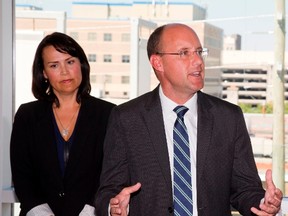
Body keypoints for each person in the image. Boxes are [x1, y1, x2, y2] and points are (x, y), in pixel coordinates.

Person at [95, 23, 283, 216]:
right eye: (184, 53)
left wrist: (263, 203)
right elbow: (108, 190)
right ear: (157, 62)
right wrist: (113, 208)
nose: (198, 61)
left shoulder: (228, 117)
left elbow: (245, 189)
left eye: (199, 52)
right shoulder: (126, 118)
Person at [10, 32, 115, 216]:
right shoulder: (27, 116)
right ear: (44, 72)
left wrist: (90, 211)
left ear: (81, 64)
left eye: (70, 62)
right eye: (54, 65)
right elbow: (23, 177)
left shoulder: (109, 114)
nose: (64, 71)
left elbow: (112, 173)